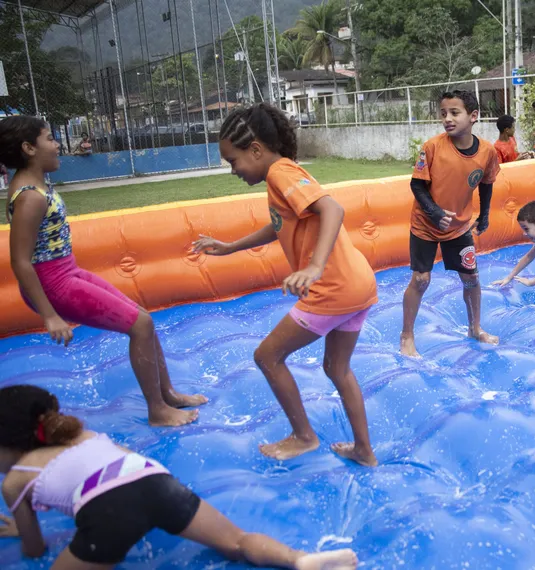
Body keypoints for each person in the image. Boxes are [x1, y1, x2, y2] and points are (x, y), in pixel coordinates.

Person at [192, 103, 378, 466]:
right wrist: (231, 247)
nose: (233, 170)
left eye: (233, 161)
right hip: (359, 284)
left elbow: (333, 210)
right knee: (337, 369)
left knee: (267, 356)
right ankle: (364, 450)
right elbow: (282, 223)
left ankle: (304, 437)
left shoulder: (280, 172)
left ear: (256, 149)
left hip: (333, 288)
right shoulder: (284, 175)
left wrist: (313, 267)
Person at [0, 384, 358, 570]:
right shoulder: (84, 436)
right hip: (155, 480)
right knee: (237, 542)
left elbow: (35, 548)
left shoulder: (15, 479)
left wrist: (23, 525)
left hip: (107, 508)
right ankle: (298, 559)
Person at [0, 116, 205, 428]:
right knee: (140, 325)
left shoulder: (37, 187)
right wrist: (50, 316)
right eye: (49, 139)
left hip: (66, 271)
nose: (57, 146)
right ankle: (158, 410)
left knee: (142, 318)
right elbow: (20, 261)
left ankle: (168, 393)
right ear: (28, 148)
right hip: (52, 283)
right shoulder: (29, 196)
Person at [401, 90, 500, 358]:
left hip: (458, 226)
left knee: (471, 278)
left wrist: (485, 215)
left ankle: (474, 328)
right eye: (443, 113)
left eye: (454, 113)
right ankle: (407, 336)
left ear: (473, 116)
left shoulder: (488, 152)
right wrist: (433, 211)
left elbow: (487, 184)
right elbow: (416, 184)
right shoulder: (433, 147)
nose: (447, 118)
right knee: (421, 279)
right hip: (425, 223)